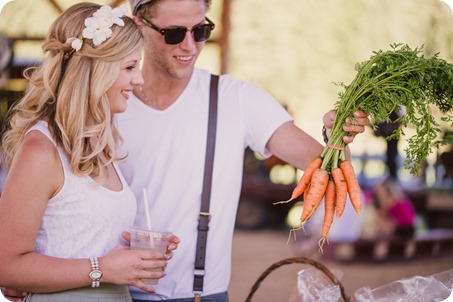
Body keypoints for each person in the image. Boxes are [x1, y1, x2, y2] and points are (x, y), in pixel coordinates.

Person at [115, 0, 370, 301]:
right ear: (140, 27)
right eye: (173, 33)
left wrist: (337, 134)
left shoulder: (235, 99)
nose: (190, 46)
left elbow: (329, 170)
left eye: (200, 30)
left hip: (201, 296)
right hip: (114, 294)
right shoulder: (109, 102)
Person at [0, 3, 179, 302]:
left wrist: (131, 258)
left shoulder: (99, 146)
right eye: (130, 67)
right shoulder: (41, 150)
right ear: (96, 70)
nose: (139, 80)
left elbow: (82, 241)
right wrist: (103, 270)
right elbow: (6, 267)